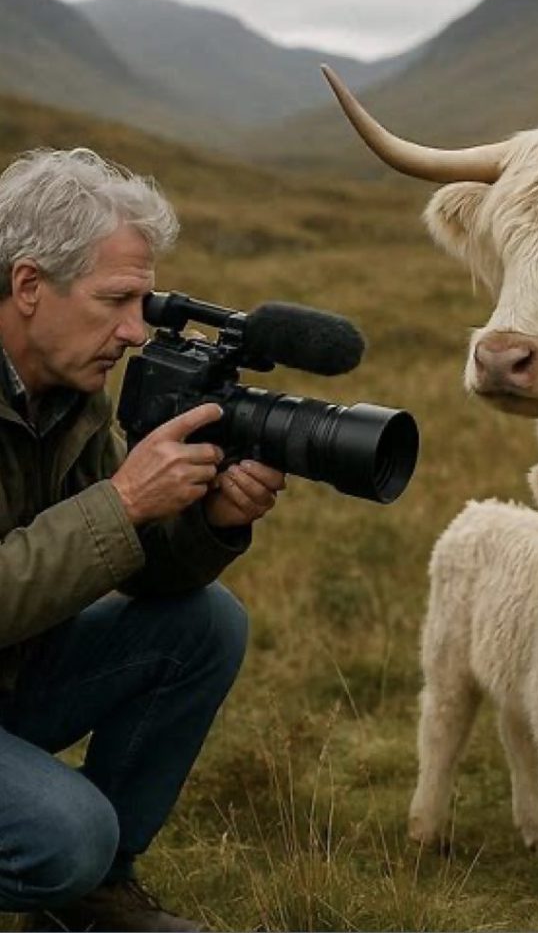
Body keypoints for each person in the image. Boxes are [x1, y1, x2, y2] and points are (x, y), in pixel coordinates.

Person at [0, 147, 286, 932]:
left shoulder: (73, 395)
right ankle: (75, 873)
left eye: (145, 303)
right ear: (29, 285)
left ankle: (91, 907)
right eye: (117, 300)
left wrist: (209, 523)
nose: (134, 331)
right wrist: (123, 502)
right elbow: (103, 528)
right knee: (67, 834)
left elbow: (140, 572)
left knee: (206, 622)